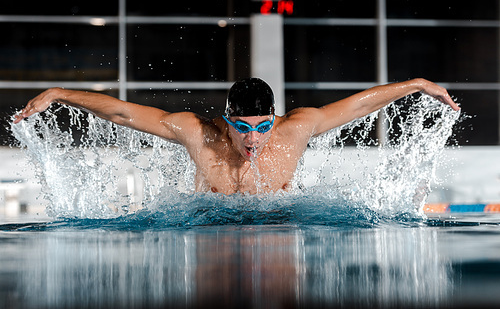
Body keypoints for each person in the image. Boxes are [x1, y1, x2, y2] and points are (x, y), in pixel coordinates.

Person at [13, 77, 460, 195]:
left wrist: (417, 86)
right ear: (225, 121)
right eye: (242, 129)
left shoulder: (295, 129)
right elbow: (124, 112)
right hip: (213, 232)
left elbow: (359, 105)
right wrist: (58, 94)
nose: (253, 139)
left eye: (262, 127)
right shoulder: (198, 134)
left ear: (274, 118)